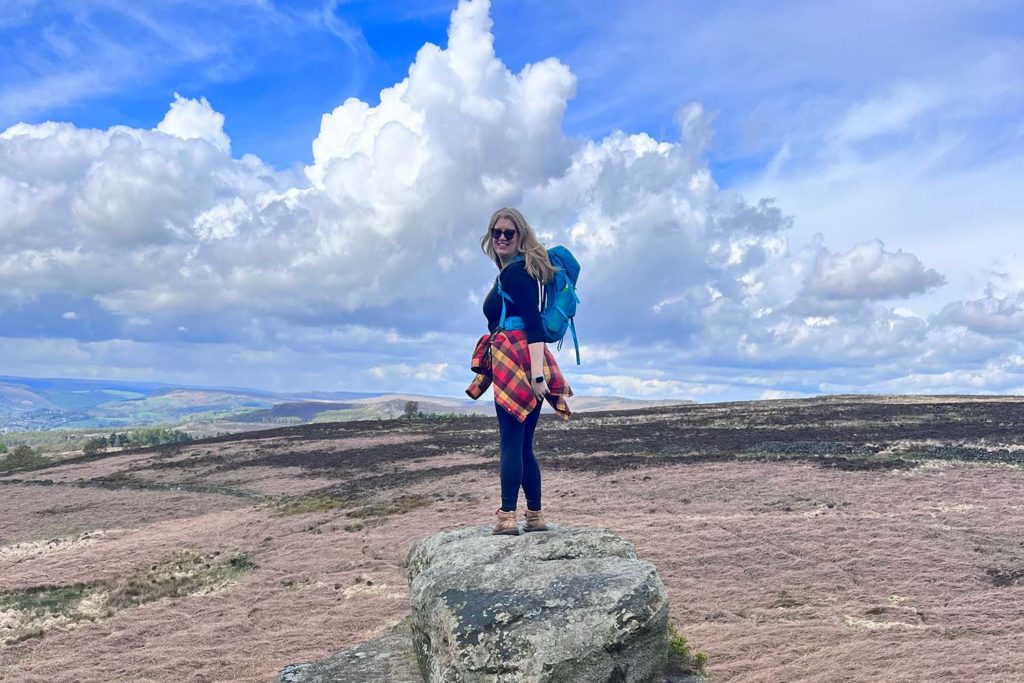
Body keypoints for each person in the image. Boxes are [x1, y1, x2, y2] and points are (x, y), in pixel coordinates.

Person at [466, 207, 573, 536]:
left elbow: (533, 323)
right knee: (523, 444)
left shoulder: (517, 274)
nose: (501, 237)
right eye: (496, 232)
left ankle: (507, 516)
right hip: (522, 359)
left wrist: (538, 375)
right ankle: (535, 516)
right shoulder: (514, 273)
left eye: (508, 233)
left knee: (511, 442)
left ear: (520, 236)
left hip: (517, 360)